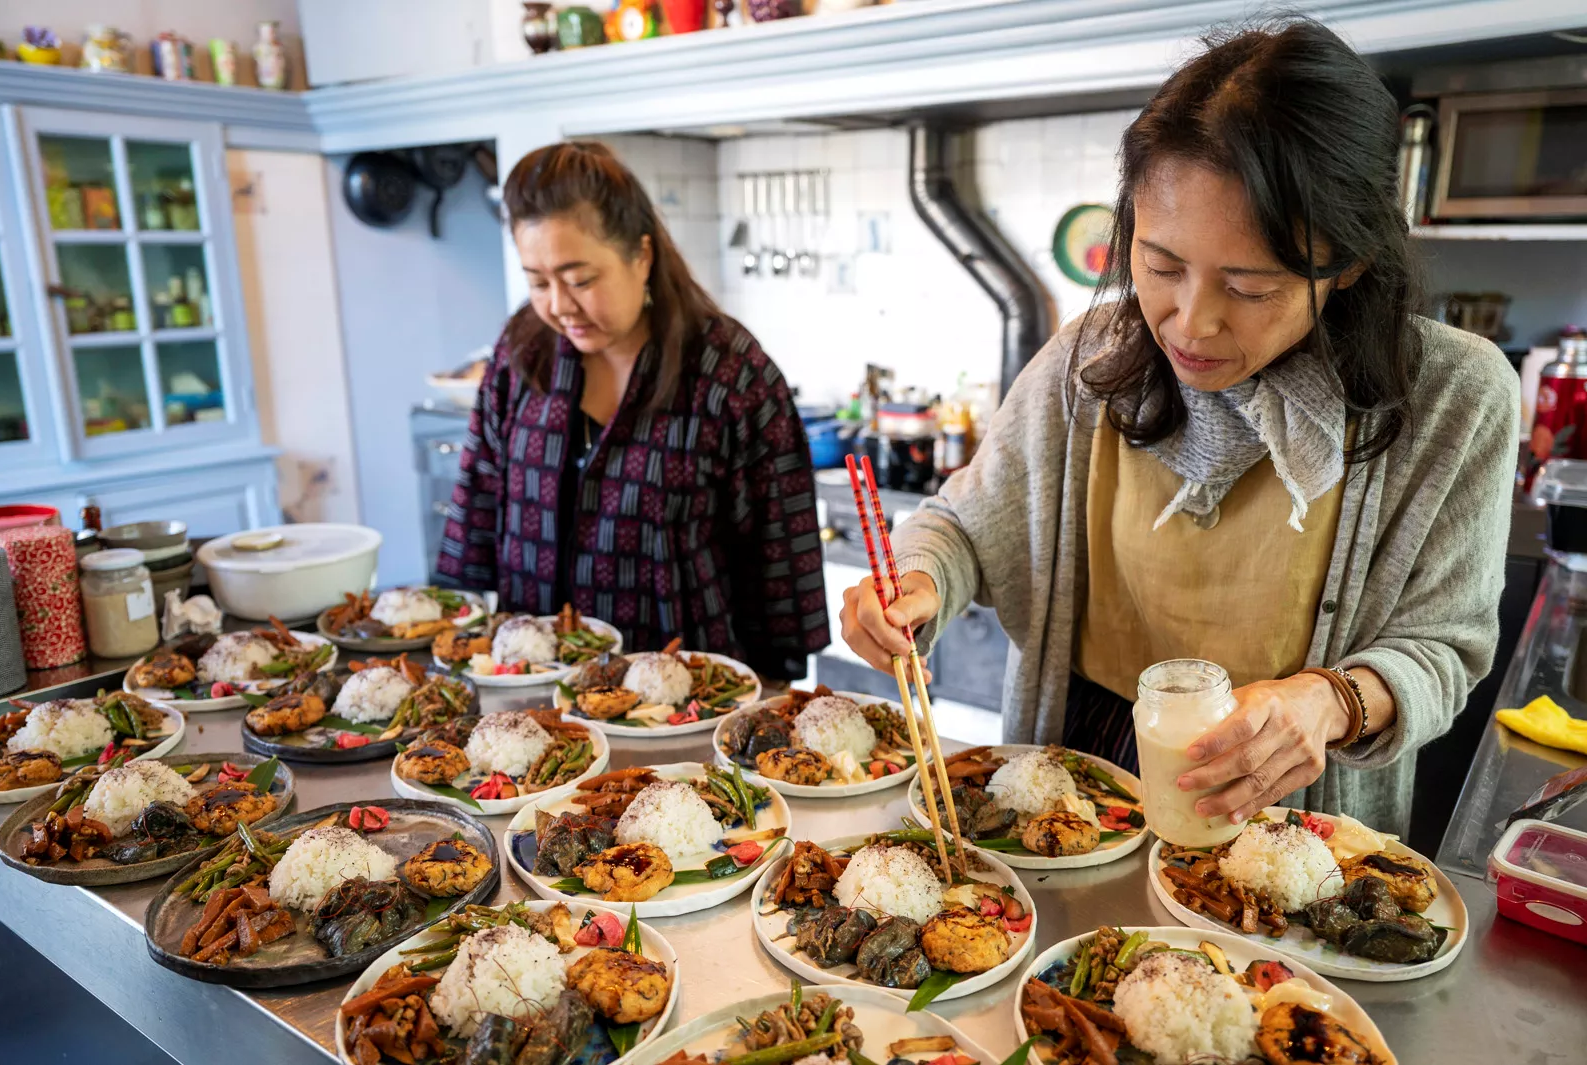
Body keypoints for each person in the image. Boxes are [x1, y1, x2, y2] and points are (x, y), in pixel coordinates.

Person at [839, 19, 1517, 836]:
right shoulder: (1091, 358)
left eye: (1251, 286)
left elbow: (1444, 646)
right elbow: (961, 527)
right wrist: (918, 581)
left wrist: (1332, 701)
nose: (1190, 323)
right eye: (1160, 266)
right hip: (1075, 780)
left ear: (1351, 262)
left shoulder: (1455, 396)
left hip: (1281, 800)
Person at [437, 141, 830, 680]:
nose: (558, 305)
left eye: (580, 280)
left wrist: (770, 693)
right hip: (528, 696)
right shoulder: (521, 351)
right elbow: (478, 504)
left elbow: (782, 560)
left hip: (686, 703)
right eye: (537, 282)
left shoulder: (729, 372)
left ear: (641, 256)